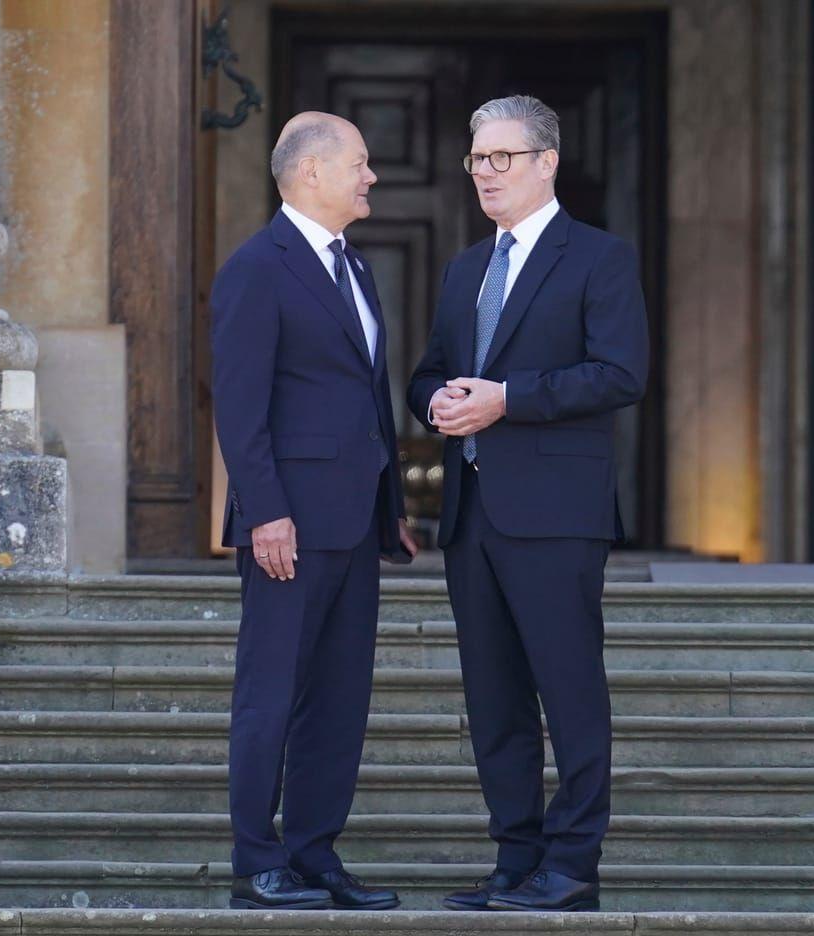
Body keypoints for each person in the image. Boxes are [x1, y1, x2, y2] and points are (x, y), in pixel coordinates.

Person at [407, 94, 649, 913]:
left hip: (556, 514)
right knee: (494, 699)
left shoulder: (599, 257)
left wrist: (507, 399)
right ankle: (516, 860)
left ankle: (572, 864)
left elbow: (620, 373)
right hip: (471, 514)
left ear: (547, 162)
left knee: (569, 692)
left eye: (502, 158)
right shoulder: (465, 268)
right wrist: (437, 401)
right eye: (477, 159)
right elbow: (428, 370)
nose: (486, 173)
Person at [211, 111, 417, 911]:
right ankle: (256, 861)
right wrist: (265, 512)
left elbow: (363, 399)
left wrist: (390, 508)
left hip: (353, 521)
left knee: (338, 698)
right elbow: (240, 406)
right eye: (360, 163)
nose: (371, 177)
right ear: (311, 173)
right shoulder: (257, 267)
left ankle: (314, 854)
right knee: (272, 691)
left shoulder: (352, 266)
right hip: (288, 526)